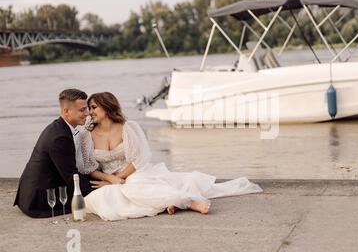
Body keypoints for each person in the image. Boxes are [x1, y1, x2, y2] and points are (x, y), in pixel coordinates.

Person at [77, 92, 263, 221]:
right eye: (88, 108)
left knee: (135, 186)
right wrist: (109, 179)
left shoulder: (128, 127)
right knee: (104, 200)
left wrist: (118, 179)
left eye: (93, 107)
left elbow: (138, 160)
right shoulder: (87, 135)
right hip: (110, 178)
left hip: (134, 172)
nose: (89, 112)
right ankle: (171, 202)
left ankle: (189, 202)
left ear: (107, 108)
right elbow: (89, 167)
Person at [14, 89, 94, 218]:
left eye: (87, 109)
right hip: (41, 200)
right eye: (82, 110)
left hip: (29, 193)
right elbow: (70, 176)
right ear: (66, 111)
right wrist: (96, 191)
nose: (88, 113)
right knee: (101, 196)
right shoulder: (60, 137)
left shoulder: (57, 127)